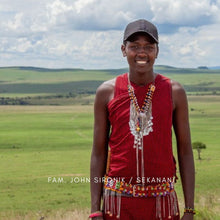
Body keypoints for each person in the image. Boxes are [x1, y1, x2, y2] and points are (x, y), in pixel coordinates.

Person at [90, 19, 195, 220]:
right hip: (118, 204)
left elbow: (185, 151)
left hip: (162, 203)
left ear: (157, 51)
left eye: (148, 46)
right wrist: (95, 209)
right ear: (123, 50)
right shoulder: (106, 92)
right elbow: (98, 152)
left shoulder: (175, 92)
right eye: (134, 46)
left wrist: (189, 209)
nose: (141, 52)